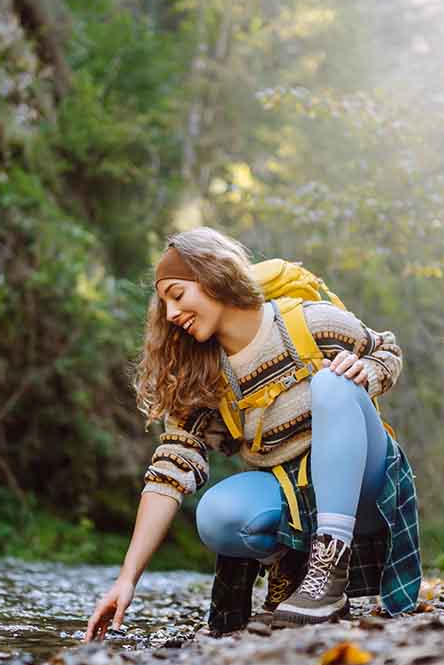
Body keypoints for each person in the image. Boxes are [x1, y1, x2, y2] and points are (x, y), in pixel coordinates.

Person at [85, 226, 419, 642]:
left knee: (332, 384)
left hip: (365, 485)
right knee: (216, 514)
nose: (171, 315)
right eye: (164, 303)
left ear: (213, 276)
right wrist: (126, 579)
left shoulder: (307, 321)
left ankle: (329, 570)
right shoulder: (205, 377)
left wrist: (365, 371)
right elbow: (168, 473)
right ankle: (292, 570)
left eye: (177, 294)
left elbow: (385, 350)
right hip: (296, 498)